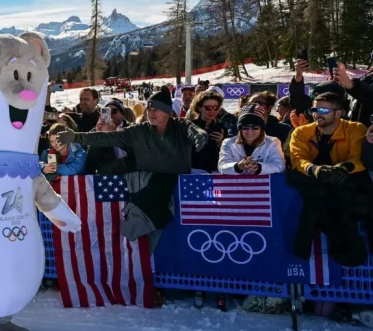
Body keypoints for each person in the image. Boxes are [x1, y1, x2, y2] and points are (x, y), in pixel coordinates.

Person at [58, 88, 208, 245]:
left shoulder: (180, 126)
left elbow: (194, 130)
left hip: (179, 188)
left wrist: (199, 136)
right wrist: (76, 137)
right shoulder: (140, 130)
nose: (151, 113)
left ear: (167, 111)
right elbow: (108, 138)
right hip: (147, 185)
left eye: (156, 109)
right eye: (149, 109)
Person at [288, 92, 370, 267]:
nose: (317, 114)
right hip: (314, 182)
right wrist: (315, 169)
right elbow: (298, 160)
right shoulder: (302, 132)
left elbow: (358, 159)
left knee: (334, 195)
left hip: (345, 182)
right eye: (314, 110)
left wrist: (343, 168)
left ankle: (304, 243)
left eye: (323, 110)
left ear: (338, 113)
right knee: (314, 189)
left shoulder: (355, 129)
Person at [218, 105, 286, 175]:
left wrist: (259, 167)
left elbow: (280, 166)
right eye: (245, 127)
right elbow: (222, 166)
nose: (250, 131)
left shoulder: (272, 142)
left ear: (261, 128)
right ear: (240, 128)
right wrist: (238, 166)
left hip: (262, 182)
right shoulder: (228, 142)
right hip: (236, 182)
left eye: (255, 127)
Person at [187, 90, 227, 173]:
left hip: (215, 170)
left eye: (216, 108)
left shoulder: (221, 126)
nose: (212, 111)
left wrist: (221, 143)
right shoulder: (191, 126)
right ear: (199, 108)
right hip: (194, 170)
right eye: (208, 108)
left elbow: (228, 152)